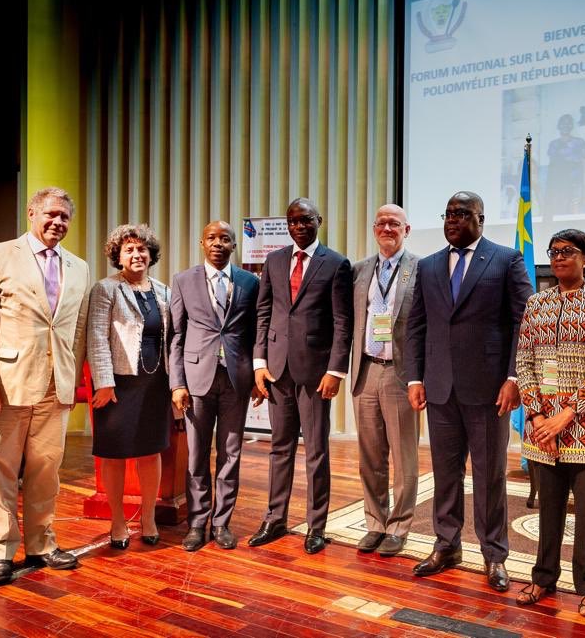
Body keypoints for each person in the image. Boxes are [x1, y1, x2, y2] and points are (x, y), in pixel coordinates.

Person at [0, 187, 91, 585]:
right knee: (0, 470)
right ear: (31, 213)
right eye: (50, 213)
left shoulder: (80, 267)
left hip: (57, 387)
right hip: (6, 385)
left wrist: (73, 379)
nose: (58, 222)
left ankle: (42, 543)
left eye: (65, 217)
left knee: (46, 472)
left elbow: (78, 329)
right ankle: (0, 551)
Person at [405, 191, 533, 592]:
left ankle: (494, 554)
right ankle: (447, 545)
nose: (453, 220)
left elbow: (523, 323)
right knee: (445, 474)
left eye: (463, 214)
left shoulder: (506, 259)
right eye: (448, 214)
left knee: (489, 476)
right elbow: (416, 326)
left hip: (489, 390)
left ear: (481, 218)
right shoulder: (427, 266)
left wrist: (514, 378)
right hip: (440, 388)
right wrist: (415, 378)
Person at [515, 229, 585, 618]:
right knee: (549, 509)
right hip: (544, 426)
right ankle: (543, 577)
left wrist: (567, 413)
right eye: (554, 252)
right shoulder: (536, 303)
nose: (559, 258)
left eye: (568, 252)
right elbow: (524, 361)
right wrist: (538, 414)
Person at [250, 198, 352, 554]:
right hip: (277, 370)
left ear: (318, 221)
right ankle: (275, 518)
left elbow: (343, 322)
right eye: (293, 221)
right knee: (280, 448)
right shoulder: (275, 261)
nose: (299, 226)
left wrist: (335, 370)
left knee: (317, 452)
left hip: (315, 373)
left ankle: (316, 526)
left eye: (305, 220)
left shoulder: (337, 264)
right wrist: (259, 363)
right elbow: (264, 314)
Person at [169, 221, 261, 552]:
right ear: (201, 243)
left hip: (237, 380)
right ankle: (197, 523)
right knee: (196, 455)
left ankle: (222, 522)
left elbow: (256, 334)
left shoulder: (251, 282)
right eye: (212, 238)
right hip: (196, 381)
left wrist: (258, 378)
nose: (218, 244)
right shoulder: (183, 281)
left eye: (225, 239)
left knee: (230, 454)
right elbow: (176, 336)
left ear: (235, 245)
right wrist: (177, 383)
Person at [87, 224, 174, 550]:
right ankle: (118, 521)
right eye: (129, 250)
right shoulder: (106, 289)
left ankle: (148, 518)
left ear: (151, 254)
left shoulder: (164, 290)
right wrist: (104, 383)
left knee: (151, 451)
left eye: (142, 249)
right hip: (118, 384)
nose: (136, 255)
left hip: (156, 383)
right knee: (114, 455)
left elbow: (173, 339)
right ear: (117, 255)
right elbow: (96, 338)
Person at [349, 204, 420, 557]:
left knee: (404, 456)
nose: (387, 228)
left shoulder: (420, 269)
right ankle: (375, 523)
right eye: (381, 223)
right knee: (370, 455)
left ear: (407, 229)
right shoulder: (360, 270)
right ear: (374, 229)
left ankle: (399, 525)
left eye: (394, 223)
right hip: (365, 370)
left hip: (400, 373)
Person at [544, 114, 585, 216]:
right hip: (558, 184)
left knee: (574, 210)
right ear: (558, 126)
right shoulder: (553, 144)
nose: (565, 126)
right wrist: (549, 188)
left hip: (574, 182)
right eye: (563, 123)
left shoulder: (579, 142)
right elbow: (552, 167)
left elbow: (583, 164)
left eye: (568, 123)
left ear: (571, 126)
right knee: (559, 211)